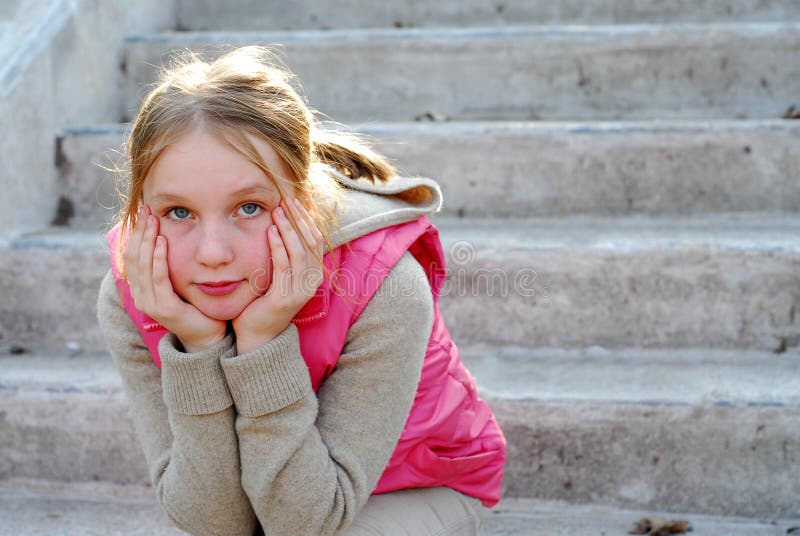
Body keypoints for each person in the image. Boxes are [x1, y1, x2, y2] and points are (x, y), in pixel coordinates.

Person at [97, 45, 505, 536]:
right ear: (143, 209)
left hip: (417, 484)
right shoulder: (138, 293)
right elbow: (213, 522)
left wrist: (262, 344)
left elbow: (307, 523)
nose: (212, 253)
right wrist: (199, 347)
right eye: (178, 212)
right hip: (277, 498)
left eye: (249, 207)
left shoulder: (382, 285)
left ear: (303, 198)